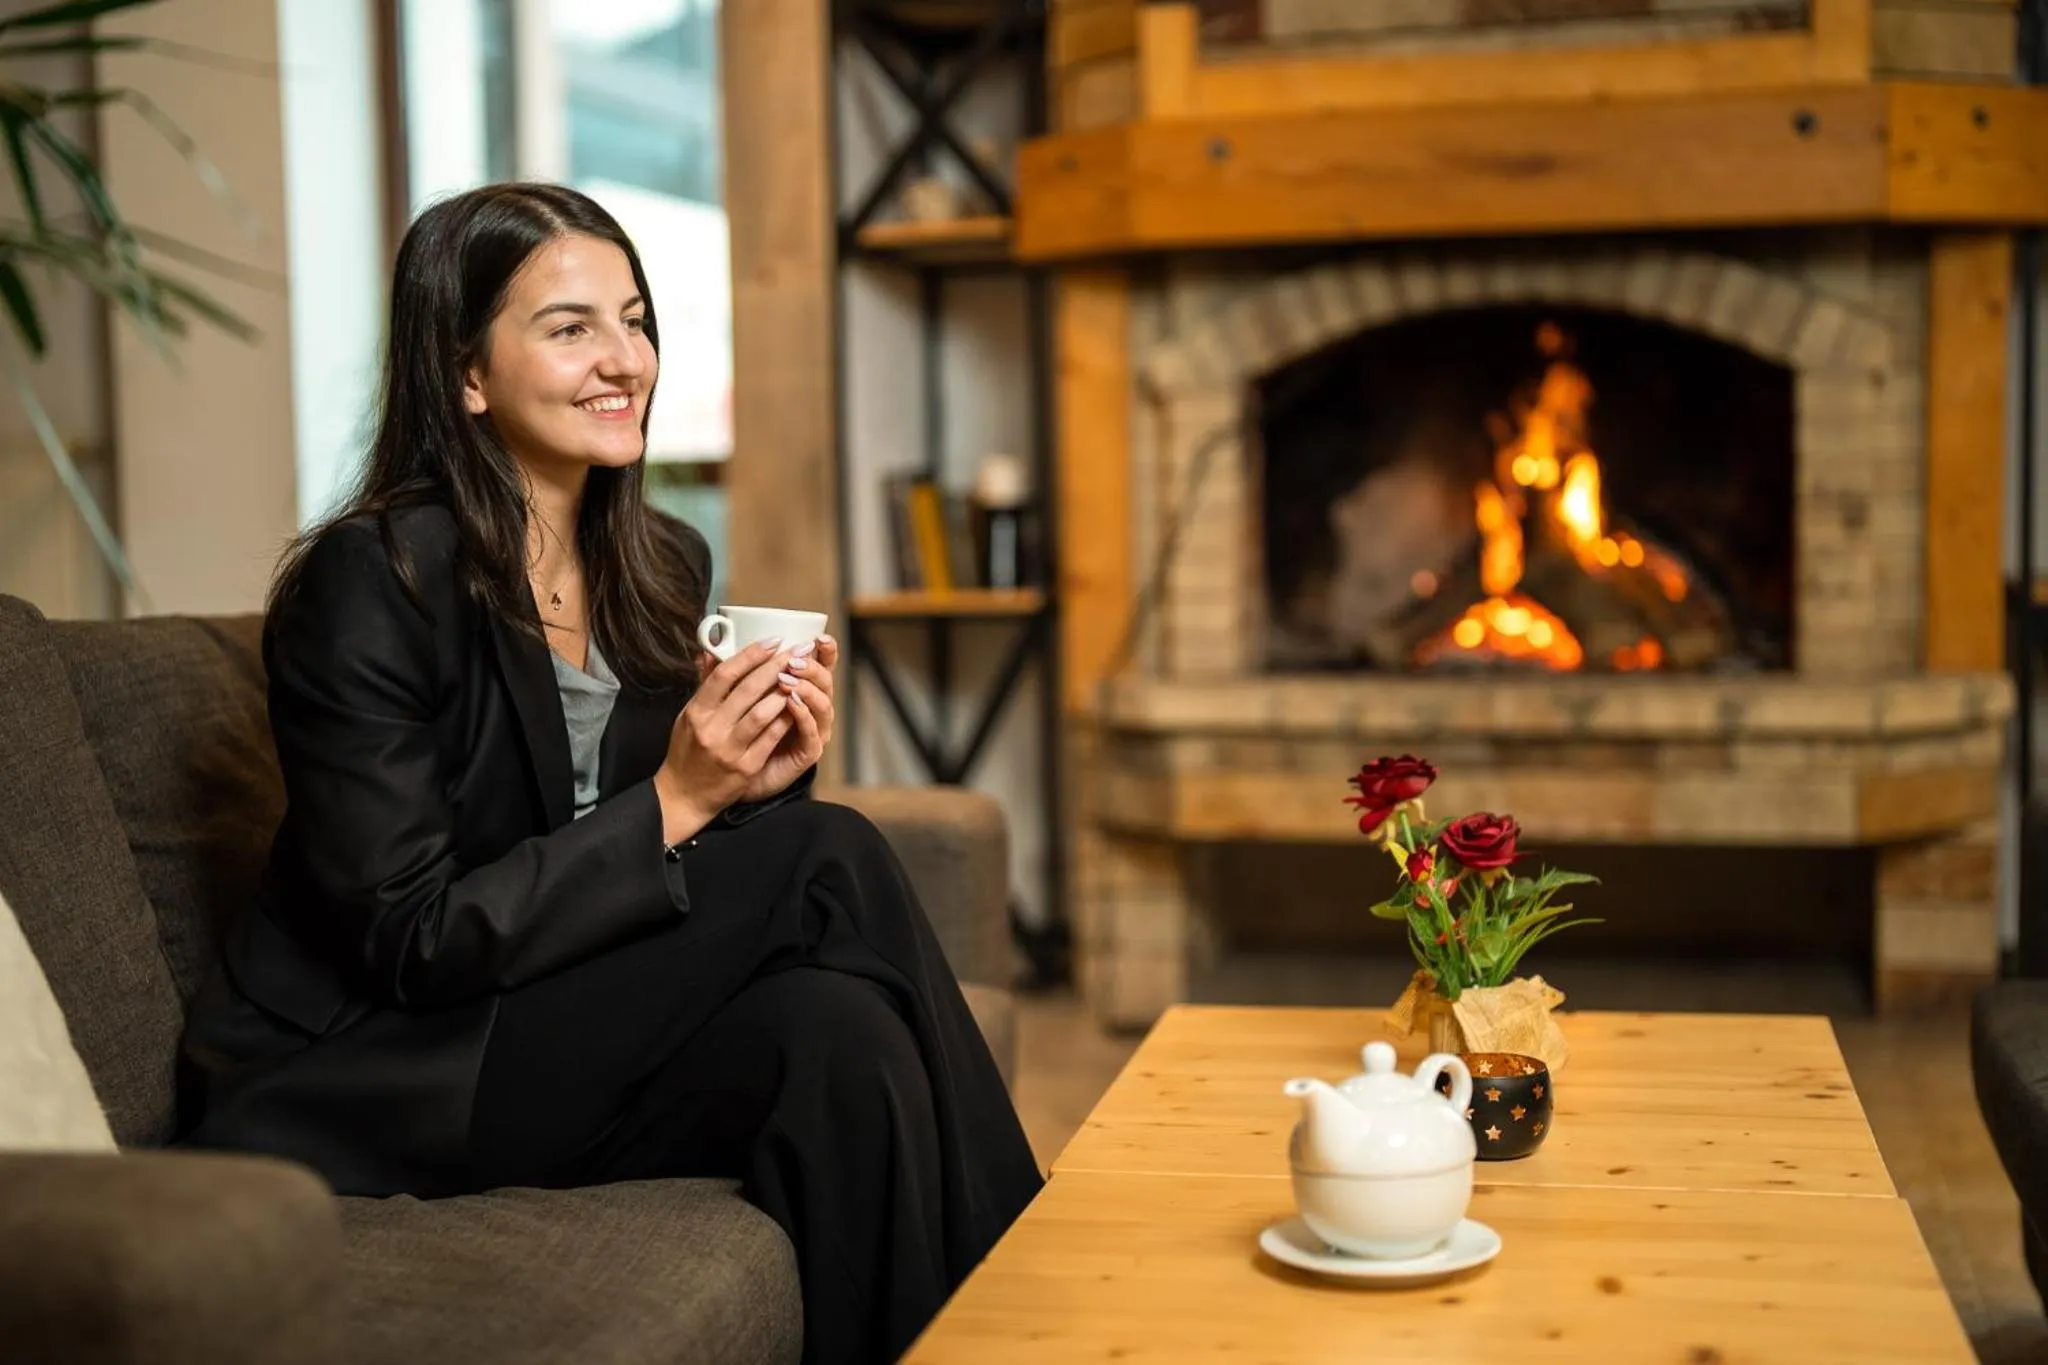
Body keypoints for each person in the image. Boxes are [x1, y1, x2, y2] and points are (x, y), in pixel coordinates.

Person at [176, 182, 1045, 1364]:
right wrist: (688, 797)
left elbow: (653, 855)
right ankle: (1049, 1310)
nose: (624, 358)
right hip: (387, 1064)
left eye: (634, 320)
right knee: (829, 852)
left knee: (839, 1034)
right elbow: (413, 938)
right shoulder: (374, 583)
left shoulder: (658, 564)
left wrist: (754, 773)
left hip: (566, 1014)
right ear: (465, 371)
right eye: (569, 326)